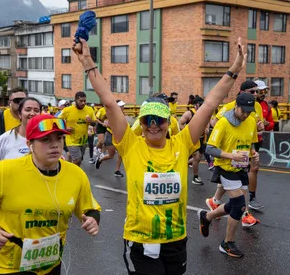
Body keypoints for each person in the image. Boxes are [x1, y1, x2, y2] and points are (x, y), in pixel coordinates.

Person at [73, 36, 246, 274]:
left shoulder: (182, 142)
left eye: (159, 120)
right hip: (141, 241)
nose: (153, 125)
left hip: (176, 240)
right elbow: (110, 103)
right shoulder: (131, 145)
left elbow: (209, 105)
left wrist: (234, 70)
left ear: (168, 122)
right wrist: (88, 62)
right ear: (141, 122)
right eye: (147, 120)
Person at [0, 114, 101, 274]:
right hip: (9, 265)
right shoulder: (5, 171)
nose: (55, 145)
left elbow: (90, 208)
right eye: (46, 140)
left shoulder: (76, 174)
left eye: (59, 138)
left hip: (50, 264)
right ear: (30, 144)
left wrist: (93, 219)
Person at [198, 93, 259, 258]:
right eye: (243, 111)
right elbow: (210, 149)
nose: (246, 114)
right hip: (226, 168)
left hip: (242, 168)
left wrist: (253, 153)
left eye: (249, 111)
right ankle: (227, 243)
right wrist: (232, 156)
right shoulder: (224, 123)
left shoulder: (251, 120)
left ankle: (207, 216)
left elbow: (250, 142)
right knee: (239, 205)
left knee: (234, 204)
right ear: (236, 106)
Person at [207, 80, 265, 214]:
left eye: (257, 91)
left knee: (236, 183)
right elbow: (215, 123)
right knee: (236, 195)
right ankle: (244, 214)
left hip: (245, 150)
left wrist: (260, 126)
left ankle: (215, 201)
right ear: (242, 92)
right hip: (227, 152)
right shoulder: (229, 107)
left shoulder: (256, 107)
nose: (255, 94)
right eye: (252, 91)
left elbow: (257, 125)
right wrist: (229, 134)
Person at [0, 97, 42, 166]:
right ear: (20, 114)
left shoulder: (48, 139)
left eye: (36, 110)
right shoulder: (4, 138)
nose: (32, 113)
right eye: (28, 110)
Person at [58, 91, 96, 166]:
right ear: (75, 100)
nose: (83, 103)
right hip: (71, 140)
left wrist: (91, 121)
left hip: (83, 141)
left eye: (84, 101)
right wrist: (65, 128)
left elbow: (95, 124)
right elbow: (56, 121)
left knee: (79, 161)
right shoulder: (67, 110)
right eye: (81, 101)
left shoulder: (89, 110)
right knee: (77, 160)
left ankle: (68, 170)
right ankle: (73, 176)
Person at [95, 100, 126, 177]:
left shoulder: (123, 114)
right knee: (111, 156)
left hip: (119, 136)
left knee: (121, 154)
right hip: (110, 135)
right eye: (121, 106)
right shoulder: (111, 114)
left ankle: (117, 170)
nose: (123, 107)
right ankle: (99, 160)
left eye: (123, 106)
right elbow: (106, 124)